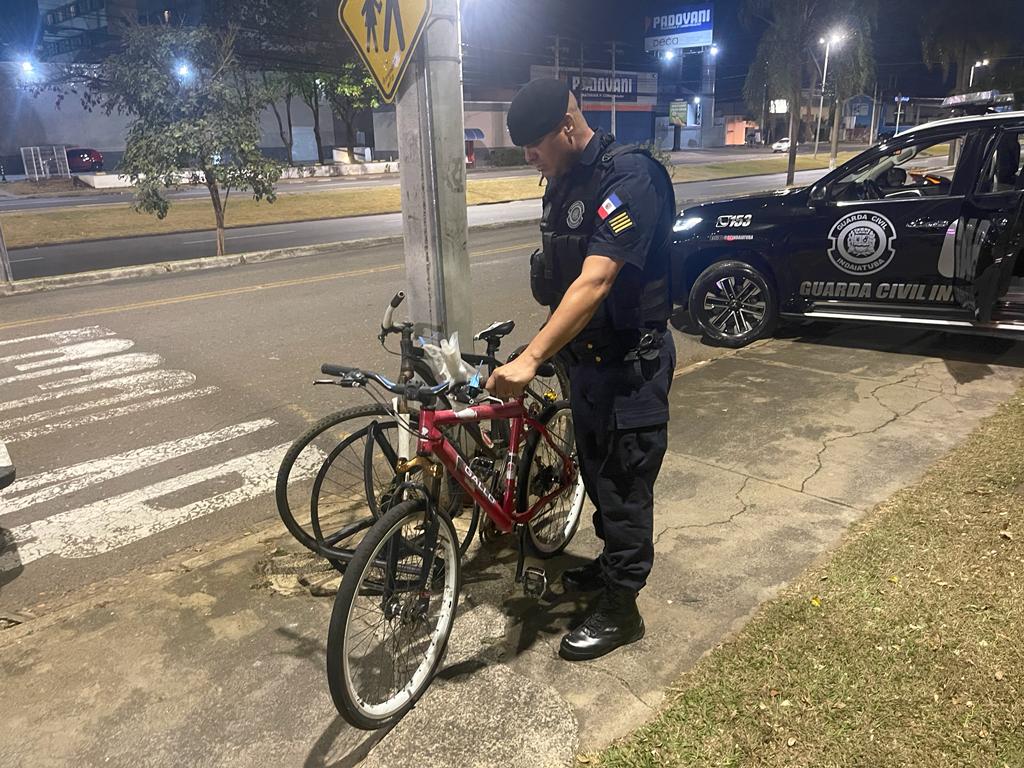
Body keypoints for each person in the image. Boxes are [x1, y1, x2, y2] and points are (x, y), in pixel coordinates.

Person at [485, 78, 677, 661]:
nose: (529, 158)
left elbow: (595, 280)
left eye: (535, 146)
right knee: (595, 474)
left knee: (623, 484)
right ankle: (610, 570)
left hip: (629, 368)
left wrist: (531, 357)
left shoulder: (630, 179)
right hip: (587, 368)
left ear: (568, 128)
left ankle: (624, 610)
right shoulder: (564, 179)